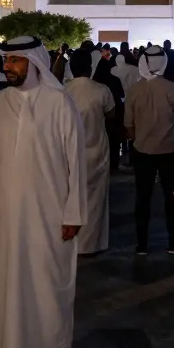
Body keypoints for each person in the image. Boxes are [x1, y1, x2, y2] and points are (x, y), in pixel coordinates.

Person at [0, 36, 85, 348]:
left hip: (49, 217)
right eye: (6, 61)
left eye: (16, 61)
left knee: (48, 291)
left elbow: (76, 163)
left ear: (34, 63)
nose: (8, 67)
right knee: (4, 291)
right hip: (3, 218)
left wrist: (74, 213)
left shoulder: (60, 104)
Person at [124, 45, 174, 254]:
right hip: (170, 148)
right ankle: (173, 242)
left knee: (142, 197)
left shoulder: (134, 90)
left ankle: (142, 244)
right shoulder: (172, 88)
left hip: (142, 149)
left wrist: (137, 138)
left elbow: (128, 124)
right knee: (172, 196)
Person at [65, 49, 116, 255]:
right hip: (96, 150)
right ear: (90, 67)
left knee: (69, 197)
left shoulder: (62, 90)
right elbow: (111, 115)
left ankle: (71, 241)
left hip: (69, 152)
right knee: (95, 199)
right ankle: (92, 244)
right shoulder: (101, 90)